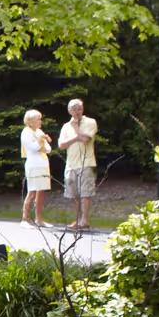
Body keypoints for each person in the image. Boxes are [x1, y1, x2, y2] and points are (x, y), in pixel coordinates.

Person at [58, 98, 99, 231]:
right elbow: (61, 145)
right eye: (74, 109)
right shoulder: (66, 126)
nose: (77, 112)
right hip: (70, 164)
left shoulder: (90, 122)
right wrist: (76, 137)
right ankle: (78, 219)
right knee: (72, 194)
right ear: (69, 111)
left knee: (85, 193)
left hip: (86, 163)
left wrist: (76, 131)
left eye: (79, 108)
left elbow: (86, 139)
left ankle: (84, 221)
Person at [21, 109, 54, 227]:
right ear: (30, 121)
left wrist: (42, 144)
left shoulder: (39, 131)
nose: (40, 121)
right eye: (38, 119)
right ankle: (24, 219)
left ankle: (39, 219)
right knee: (32, 191)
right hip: (33, 165)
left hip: (43, 164)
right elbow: (34, 147)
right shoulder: (26, 132)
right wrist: (41, 143)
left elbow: (48, 148)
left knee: (41, 192)